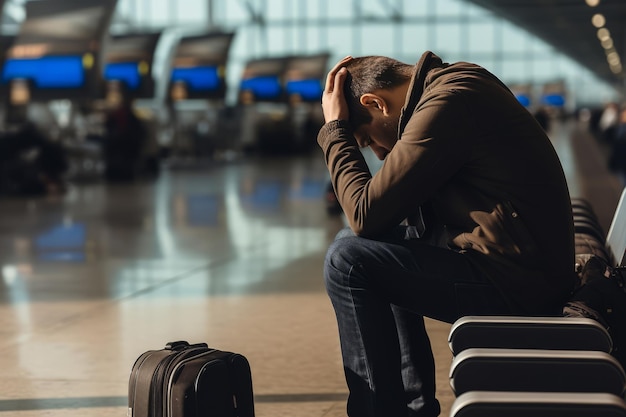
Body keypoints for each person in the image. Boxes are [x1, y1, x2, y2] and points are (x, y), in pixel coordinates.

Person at [317, 52, 576, 417]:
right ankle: (413, 408)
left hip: (520, 282)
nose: (378, 153)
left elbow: (365, 214)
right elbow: (379, 220)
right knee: (367, 246)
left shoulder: (450, 100)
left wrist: (335, 132)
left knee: (348, 261)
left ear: (375, 103)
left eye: (366, 139)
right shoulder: (451, 88)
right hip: (520, 269)